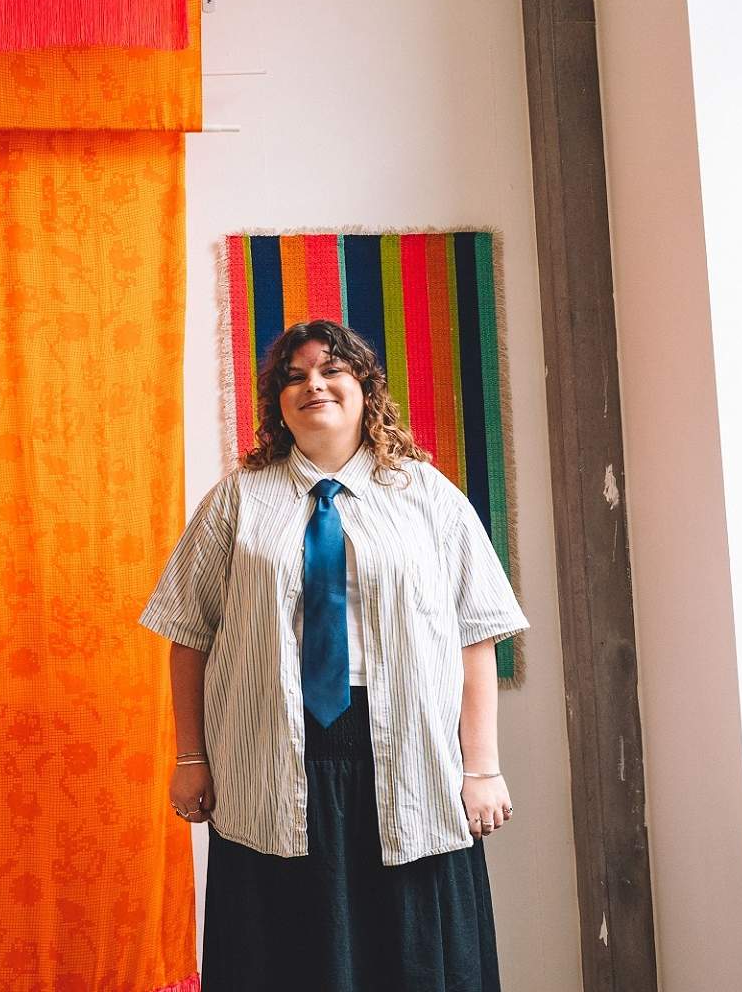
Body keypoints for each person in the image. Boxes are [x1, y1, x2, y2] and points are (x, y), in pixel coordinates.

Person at [139, 319, 527, 991]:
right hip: (270, 761)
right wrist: (190, 759)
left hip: (410, 758)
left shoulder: (427, 496)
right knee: (287, 953)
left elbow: (477, 632)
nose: (312, 384)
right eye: (294, 377)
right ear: (278, 405)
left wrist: (482, 768)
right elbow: (188, 633)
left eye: (330, 370)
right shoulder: (236, 501)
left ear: (364, 389)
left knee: (408, 953)